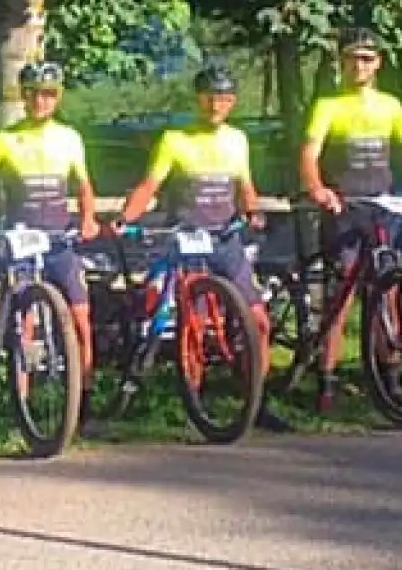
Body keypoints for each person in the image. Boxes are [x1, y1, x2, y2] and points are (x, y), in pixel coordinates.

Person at [117, 62, 287, 431]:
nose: (215, 105)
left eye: (223, 99)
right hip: (189, 239)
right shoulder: (175, 141)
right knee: (191, 326)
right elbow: (149, 185)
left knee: (257, 319)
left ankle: (256, 397)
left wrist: (253, 211)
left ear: (232, 102)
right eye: (209, 98)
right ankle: (192, 398)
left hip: (226, 239)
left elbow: (245, 188)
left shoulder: (237, 140)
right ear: (198, 99)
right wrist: (125, 218)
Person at [297, 27, 402, 413]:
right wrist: (318, 189)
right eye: (352, 59)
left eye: (366, 59)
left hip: (383, 206)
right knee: (343, 295)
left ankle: (390, 376)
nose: (358, 66)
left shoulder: (390, 106)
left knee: (390, 289)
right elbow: (309, 155)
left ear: (378, 63)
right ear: (342, 63)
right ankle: (326, 380)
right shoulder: (329, 105)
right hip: (346, 207)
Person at [0, 61, 101, 383]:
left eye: (48, 94)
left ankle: (83, 393)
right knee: (22, 321)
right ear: (24, 98)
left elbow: (84, 186)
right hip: (20, 239)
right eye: (33, 95)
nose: (41, 101)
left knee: (81, 317)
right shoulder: (5, 140)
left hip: (58, 239)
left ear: (57, 98)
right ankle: (21, 398)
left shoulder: (69, 138)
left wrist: (88, 219)